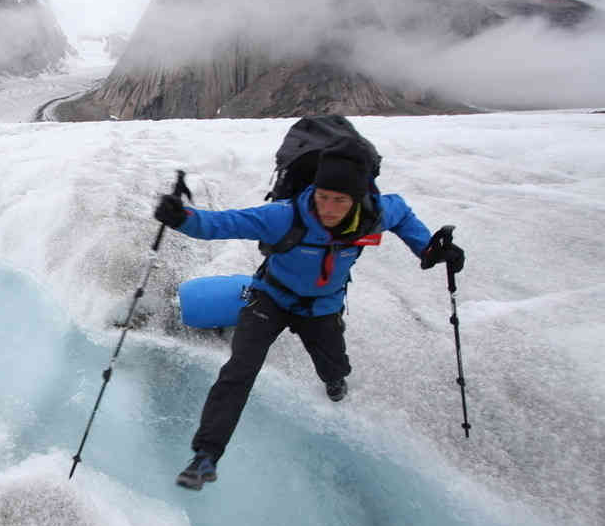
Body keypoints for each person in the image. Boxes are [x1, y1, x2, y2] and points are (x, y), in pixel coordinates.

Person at [154, 131, 465, 490]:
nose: (328, 208)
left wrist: (432, 251)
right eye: (322, 197)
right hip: (270, 297)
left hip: (322, 307)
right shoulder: (284, 216)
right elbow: (222, 223)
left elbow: (406, 220)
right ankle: (205, 456)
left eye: (339, 200)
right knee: (238, 370)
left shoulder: (377, 213)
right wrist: (181, 218)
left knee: (334, 366)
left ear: (358, 198)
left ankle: (335, 380)